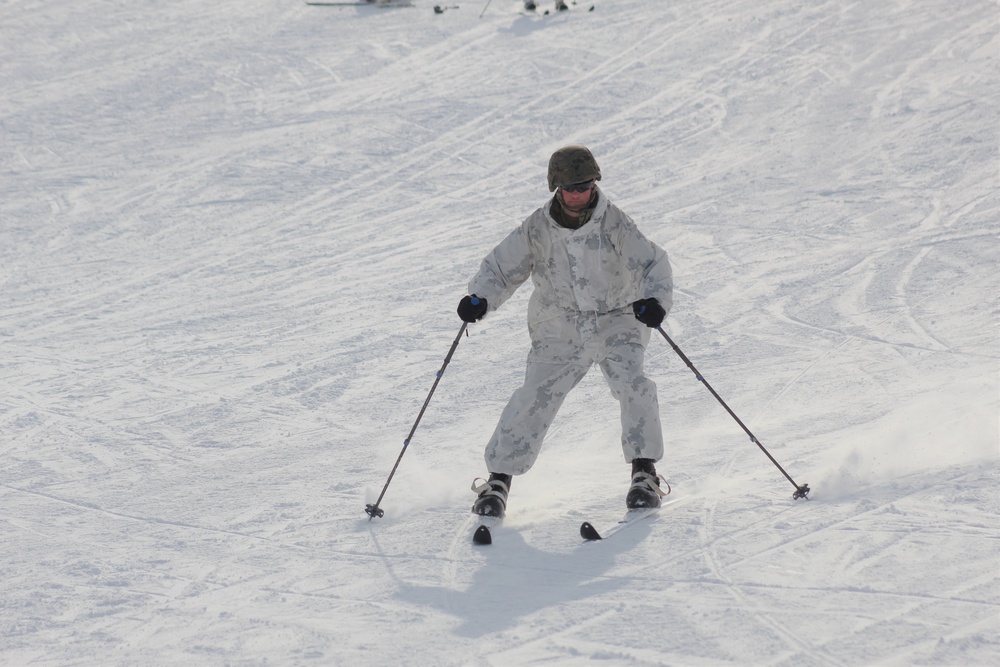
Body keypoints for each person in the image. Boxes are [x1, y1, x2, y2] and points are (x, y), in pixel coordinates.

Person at [457, 145, 673, 518]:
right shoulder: (538, 227)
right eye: (570, 187)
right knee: (535, 394)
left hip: (616, 316)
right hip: (559, 323)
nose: (578, 194)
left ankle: (644, 473)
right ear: (556, 188)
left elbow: (653, 264)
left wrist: (654, 301)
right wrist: (480, 297)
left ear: (595, 184)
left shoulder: (614, 223)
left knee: (633, 383)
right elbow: (501, 268)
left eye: (585, 185)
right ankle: (498, 482)